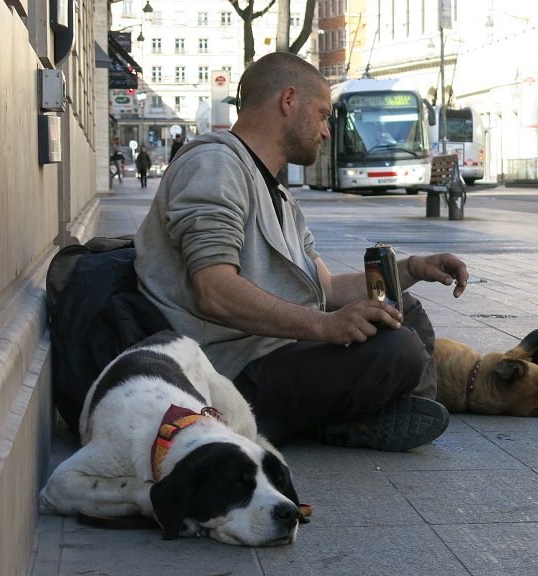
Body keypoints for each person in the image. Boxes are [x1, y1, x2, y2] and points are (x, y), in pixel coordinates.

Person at [134, 52, 468, 452]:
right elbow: (214, 290)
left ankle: (391, 411)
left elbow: (324, 287)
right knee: (399, 349)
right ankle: (353, 419)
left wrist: (413, 267)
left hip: (280, 349)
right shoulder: (214, 164)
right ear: (289, 101)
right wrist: (323, 326)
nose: (326, 131)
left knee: (401, 307)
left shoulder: (278, 192)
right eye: (324, 114)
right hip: (228, 372)